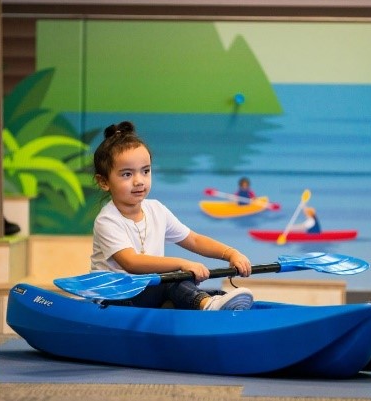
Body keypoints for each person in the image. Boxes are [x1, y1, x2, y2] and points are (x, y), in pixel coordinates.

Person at [91, 121, 254, 310]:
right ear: (103, 182)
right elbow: (132, 262)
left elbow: (193, 240)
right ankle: (206, 306)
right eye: (127, 174)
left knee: (202, 291)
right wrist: (182, 263)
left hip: (148, 292)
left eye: (145, 171)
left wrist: (231, 253)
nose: (139, 181)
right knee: (172, 278)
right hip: (114, 298)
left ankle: (210, 303)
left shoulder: (156, 210)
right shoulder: (107, 220)